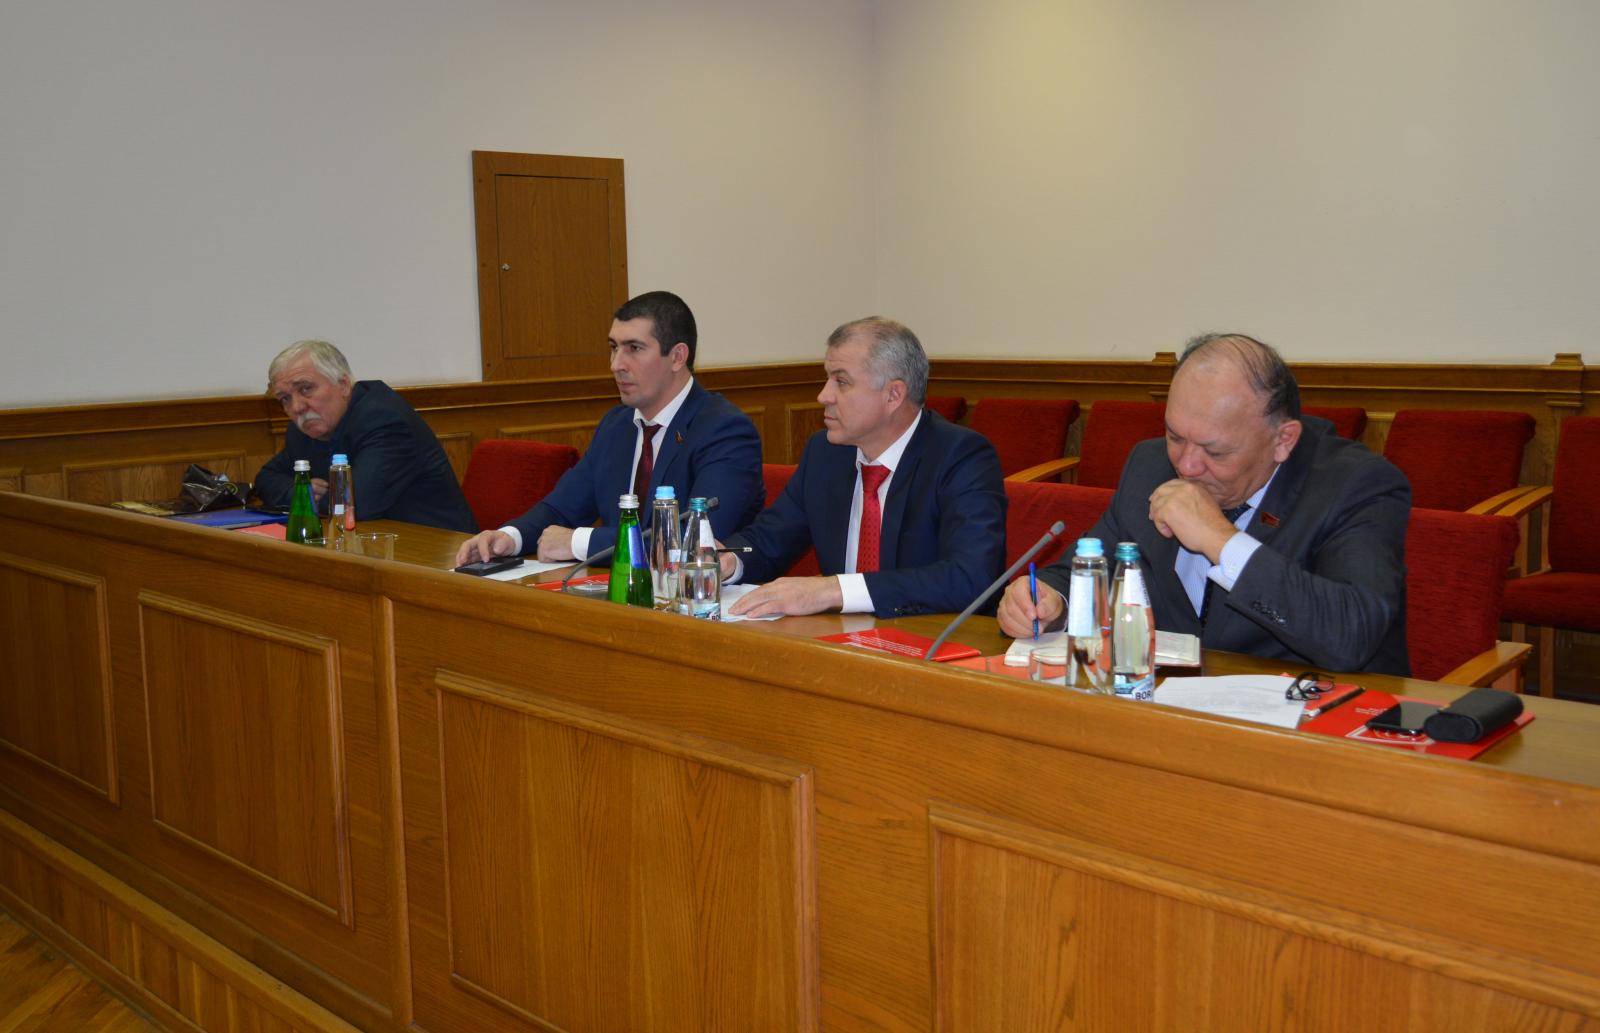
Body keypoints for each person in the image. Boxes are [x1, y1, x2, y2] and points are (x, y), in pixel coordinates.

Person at [998, 332, 1411, 675]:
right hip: (1170, 708)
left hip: (1309, 721)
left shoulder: (1355, 484)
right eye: (1175, 436)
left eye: (1215, 451)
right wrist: (1050, 602)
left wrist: (1221, 540)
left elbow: (1352, 634)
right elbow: (1088, 568)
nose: (1186, 465)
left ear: (1282, 440)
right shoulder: (1149, 464)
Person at [722, 317, 1006, 619]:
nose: (823, 396)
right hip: (840, 637)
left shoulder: (960, 456)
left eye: (841, 381)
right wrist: (726, 560)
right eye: (827, 379)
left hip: (930, 636)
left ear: (893, 395)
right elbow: (769, 540)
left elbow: (970, 577)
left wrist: (834, 590)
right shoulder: (825, 453)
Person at [454, 291, 763, 566]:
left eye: (634, 348)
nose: (616, 364)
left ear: (677, 357)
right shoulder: (617, 426)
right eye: (614, 347)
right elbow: (562, 508)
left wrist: (579, 542)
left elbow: (694, 540)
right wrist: (510, 537)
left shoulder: (725, 430)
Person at [253, 340, 477, 533]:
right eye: (285, 398)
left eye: (305, 389)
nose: (297, 407)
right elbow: (266, 479)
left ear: (343, 385)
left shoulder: (385, 420)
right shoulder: (304, 430)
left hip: (438, 550)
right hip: (370, 544)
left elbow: (356, 505)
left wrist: (304, 499)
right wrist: (299, 491)